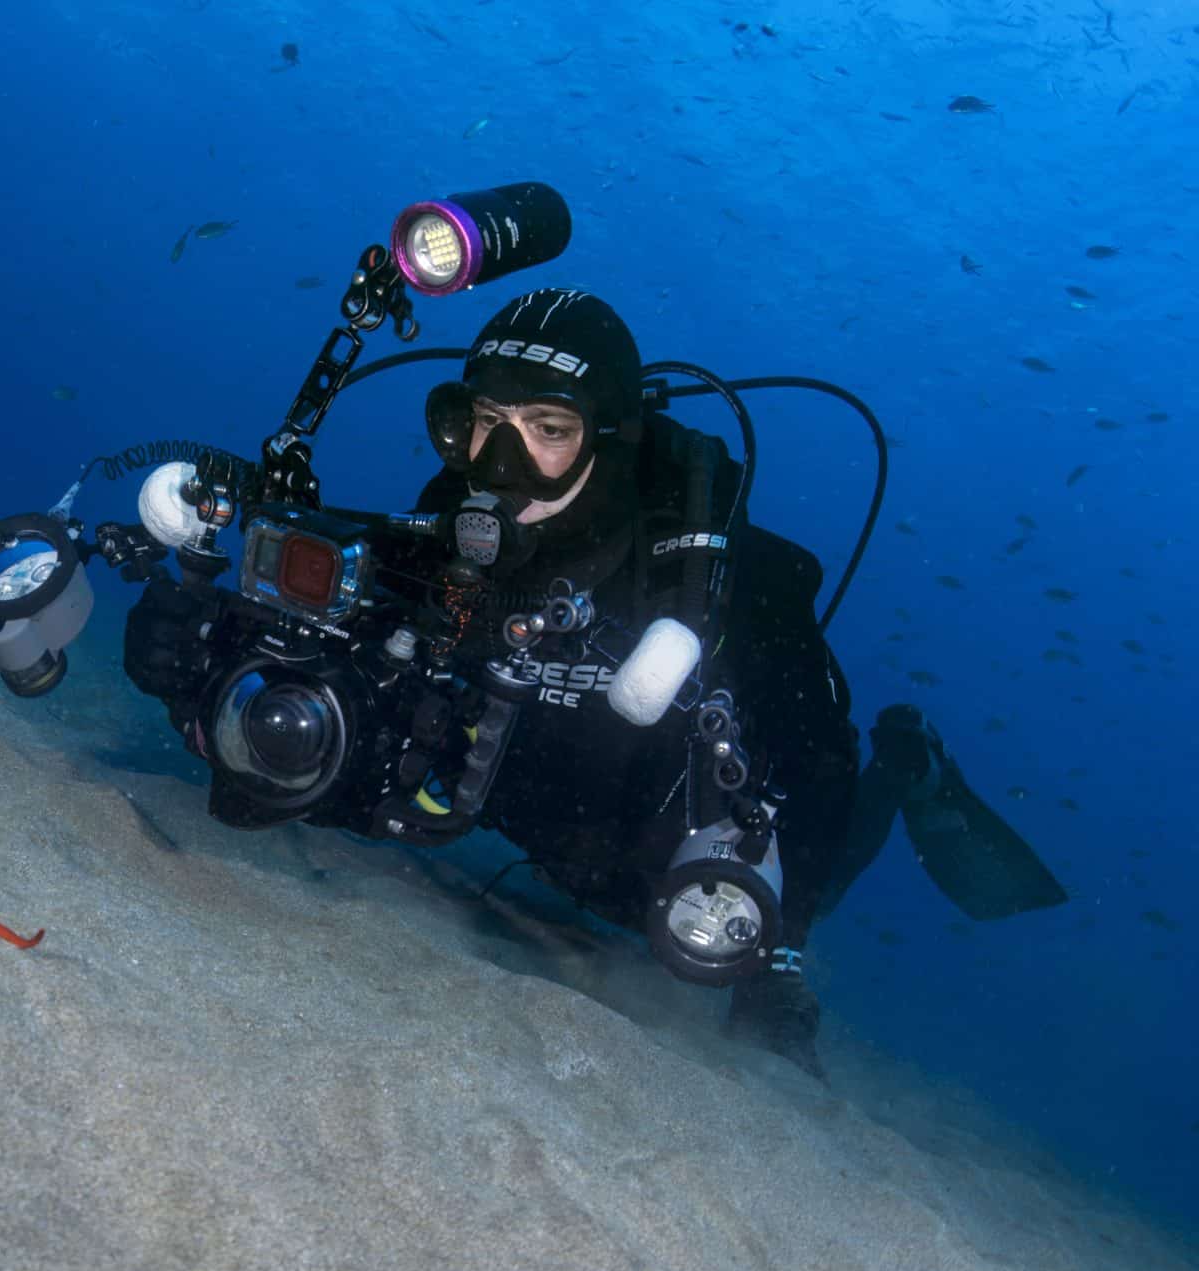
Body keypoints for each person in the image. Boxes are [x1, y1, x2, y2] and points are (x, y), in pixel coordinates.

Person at [122, 286, 1062, 1080]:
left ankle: (910, 764)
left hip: (667, 866)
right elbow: (364, 707)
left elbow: (813, 768)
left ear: (606, 438)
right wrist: (205, 677)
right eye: (483, 423)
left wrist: (777, 954)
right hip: (533, 822)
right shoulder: (457, 530)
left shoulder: (717, 585)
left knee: (808, 867)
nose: (501, 463)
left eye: (548, 429)